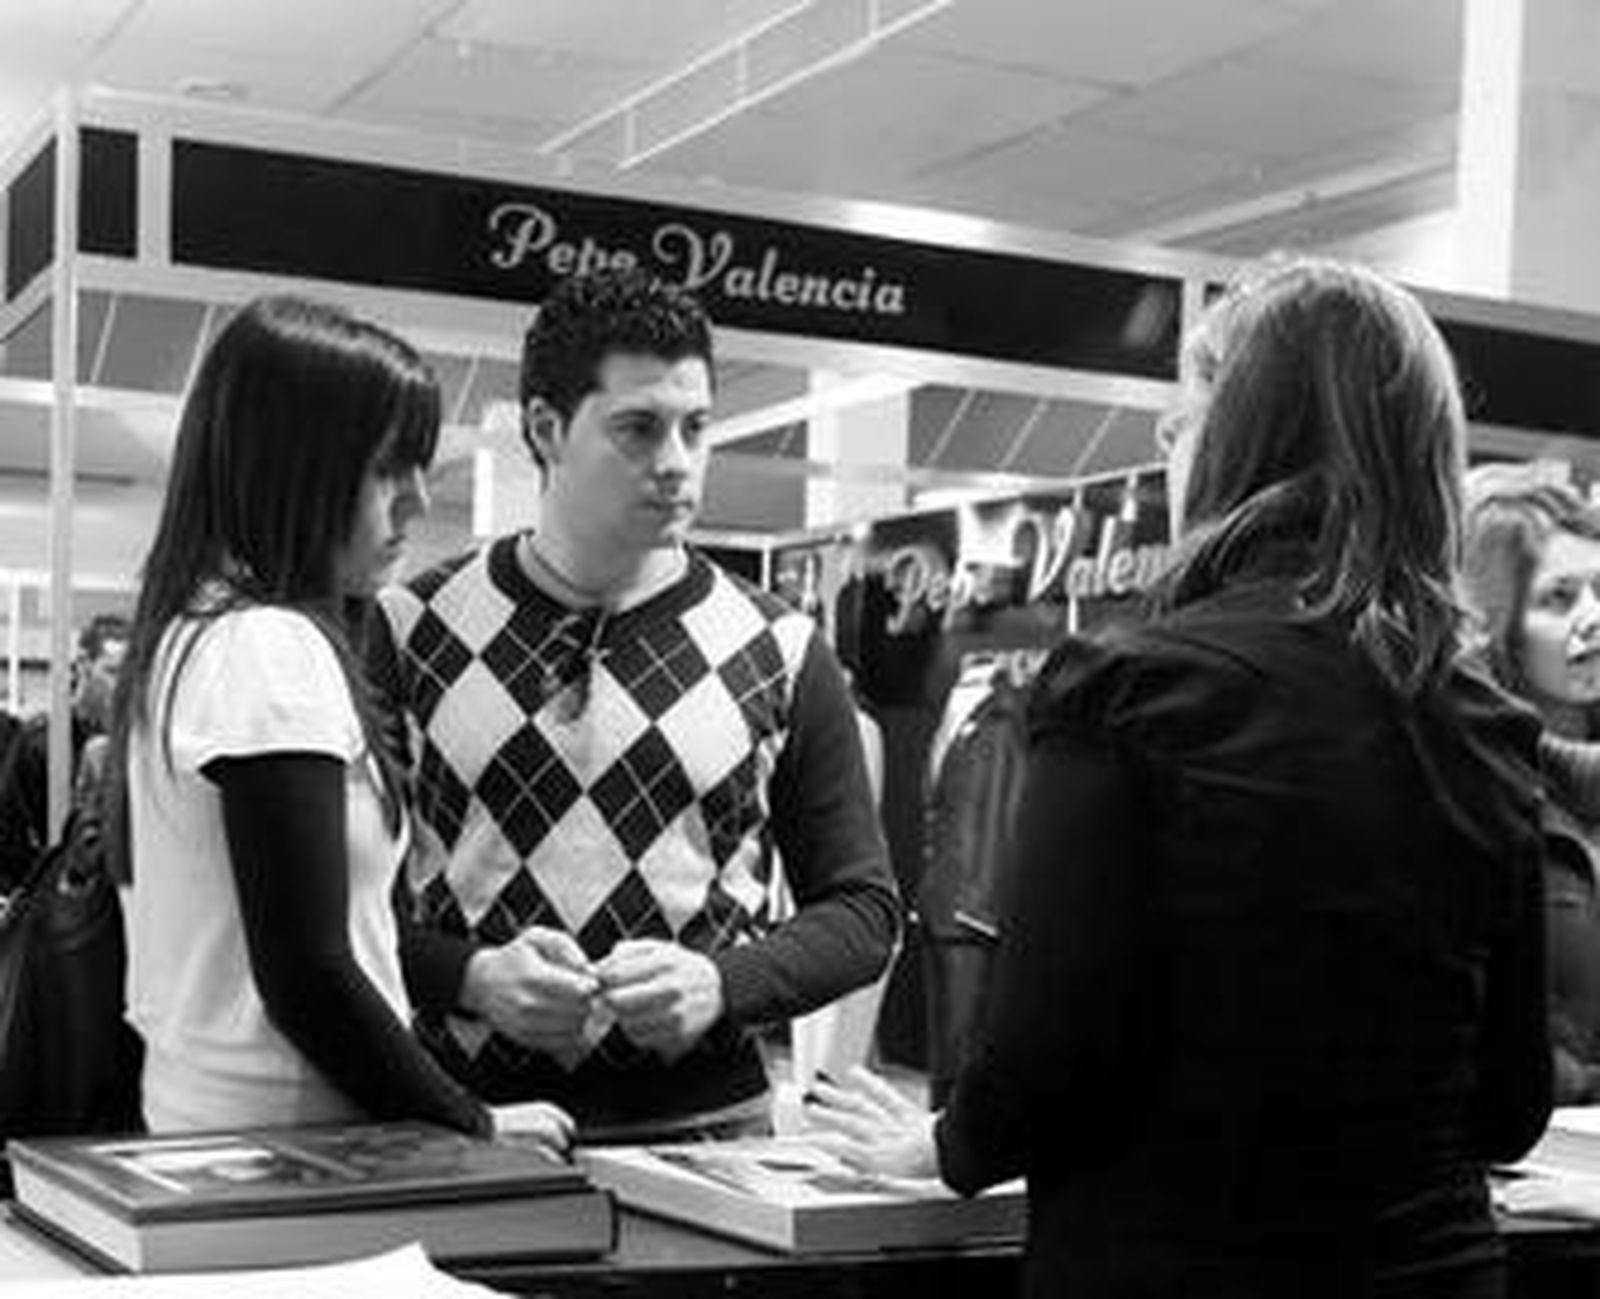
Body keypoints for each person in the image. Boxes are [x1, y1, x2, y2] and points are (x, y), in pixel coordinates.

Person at [807, 258, 1552, 1297]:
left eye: (1184, 418)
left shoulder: (1131, 691)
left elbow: (1048, 1061)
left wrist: (954, 1142)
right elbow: (1509, 1105)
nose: (1166, 447)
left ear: (1249, 438)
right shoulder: (1484, 725)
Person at [369, 268, 901, 1138]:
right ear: (546, 428)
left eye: (696, 428)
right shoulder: (409, 627)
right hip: (470, 1127)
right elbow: (337, 917)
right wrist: (469, 976)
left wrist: (722, 983)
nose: (677, 464)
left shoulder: (783, 647)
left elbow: (864, 911)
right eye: (638, 429)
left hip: (708, 1131)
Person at [112, 294, 571, 1148]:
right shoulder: (269, 649)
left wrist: (470, 976)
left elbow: (325, 939)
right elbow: (307, 972)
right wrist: (470, 1121)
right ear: (294, 466)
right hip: (295, 1147)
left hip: (223, 1133)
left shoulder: (194, 634)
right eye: (388, 468)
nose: (416, 501)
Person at [1460, 468, 1600, 1104]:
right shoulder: (1477, 782)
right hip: (1530, 1165)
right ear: (1499, 615)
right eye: (1560, 597)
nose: (1594, 618)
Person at [0, 614, 129, 891]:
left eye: (131, 676)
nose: (123, 688)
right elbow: (9, 842)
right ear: (84, 666)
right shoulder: (41, 744)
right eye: (113, 672)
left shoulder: (135, 747)